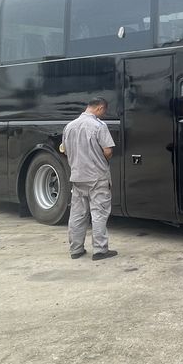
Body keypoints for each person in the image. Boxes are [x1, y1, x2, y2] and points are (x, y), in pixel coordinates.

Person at [61, 97, 117, 260]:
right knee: (99, 213)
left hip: (77, 176)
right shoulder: (99, 126)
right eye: (103, 111)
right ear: (99, 108)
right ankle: (100, 250)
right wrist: (103, 159)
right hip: (97, 177)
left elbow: (64, 150)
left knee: (78, 214)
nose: (103, 115)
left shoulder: (69, 126)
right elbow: (107, 150)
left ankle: (76, 250)